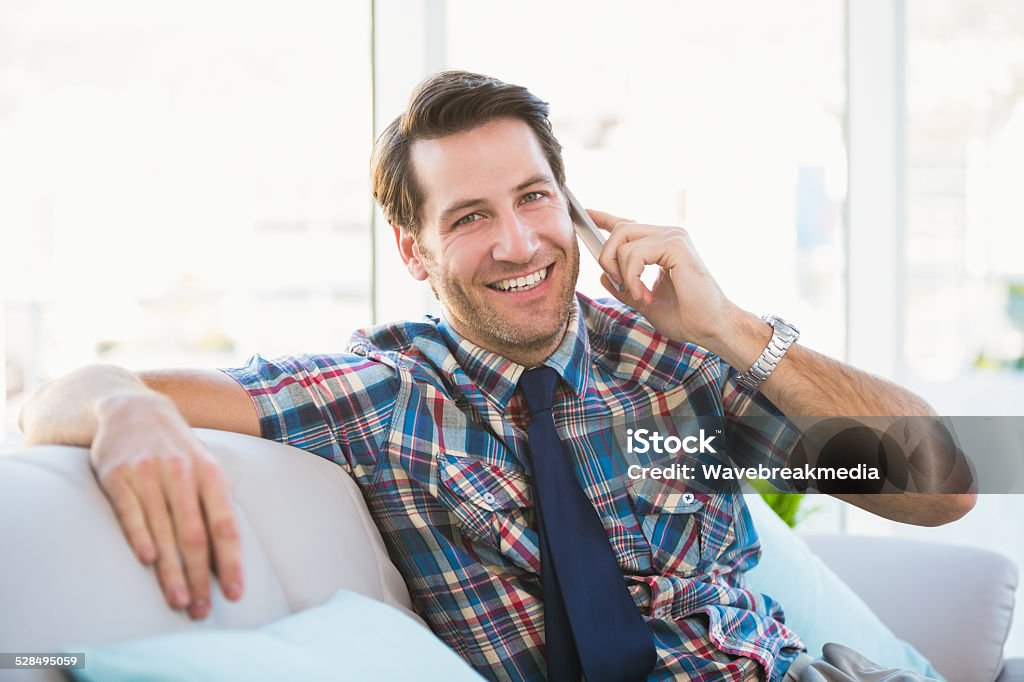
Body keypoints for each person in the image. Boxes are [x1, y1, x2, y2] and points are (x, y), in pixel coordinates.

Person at [20, 71, 974, 681]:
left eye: (533, 198)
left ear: (574, 207)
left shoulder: (678, 362)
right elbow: (58, 392)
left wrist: (729, 325)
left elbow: (945, 490)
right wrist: (122, 412)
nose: (517, 243)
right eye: (470, 216)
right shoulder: (383, 395)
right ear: (414, 251)